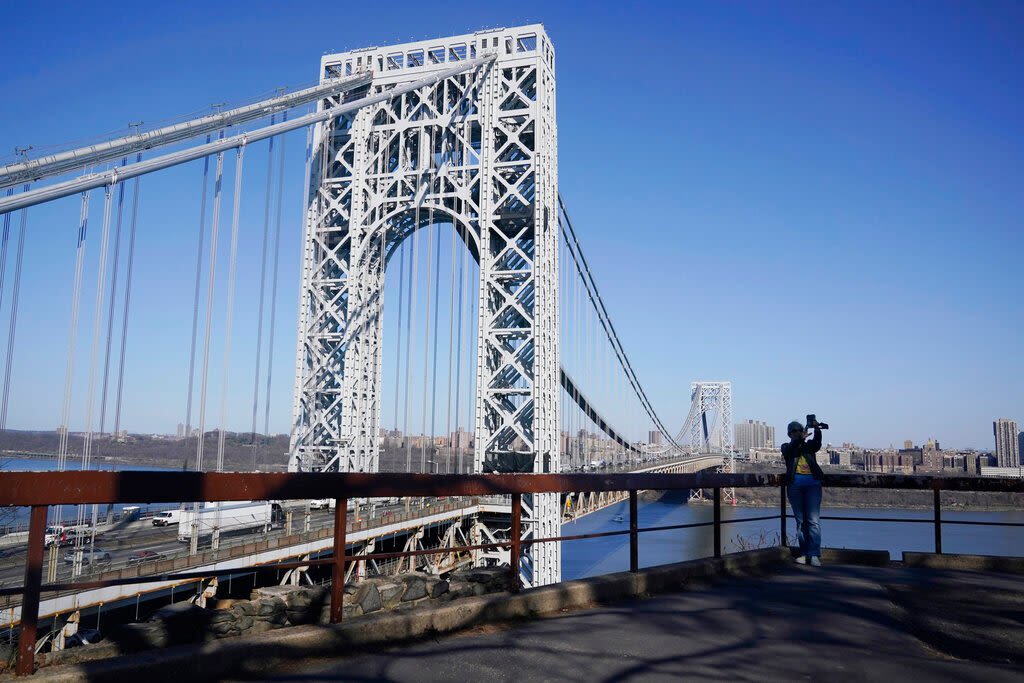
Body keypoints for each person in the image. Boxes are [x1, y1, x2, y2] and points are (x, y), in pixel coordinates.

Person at [781, 420, 823, 566]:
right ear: (789, 434)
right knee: (801, 522)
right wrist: (800, 439)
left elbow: (817, 443)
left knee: (813, 521)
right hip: (795, 486)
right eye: (794, 431)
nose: (797, 433)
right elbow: (791, 451)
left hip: (813, 485)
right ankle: (805, 554)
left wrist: (817, 429)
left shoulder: (809, 446)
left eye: (799, 430)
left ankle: (814, 554)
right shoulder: (786, 447)